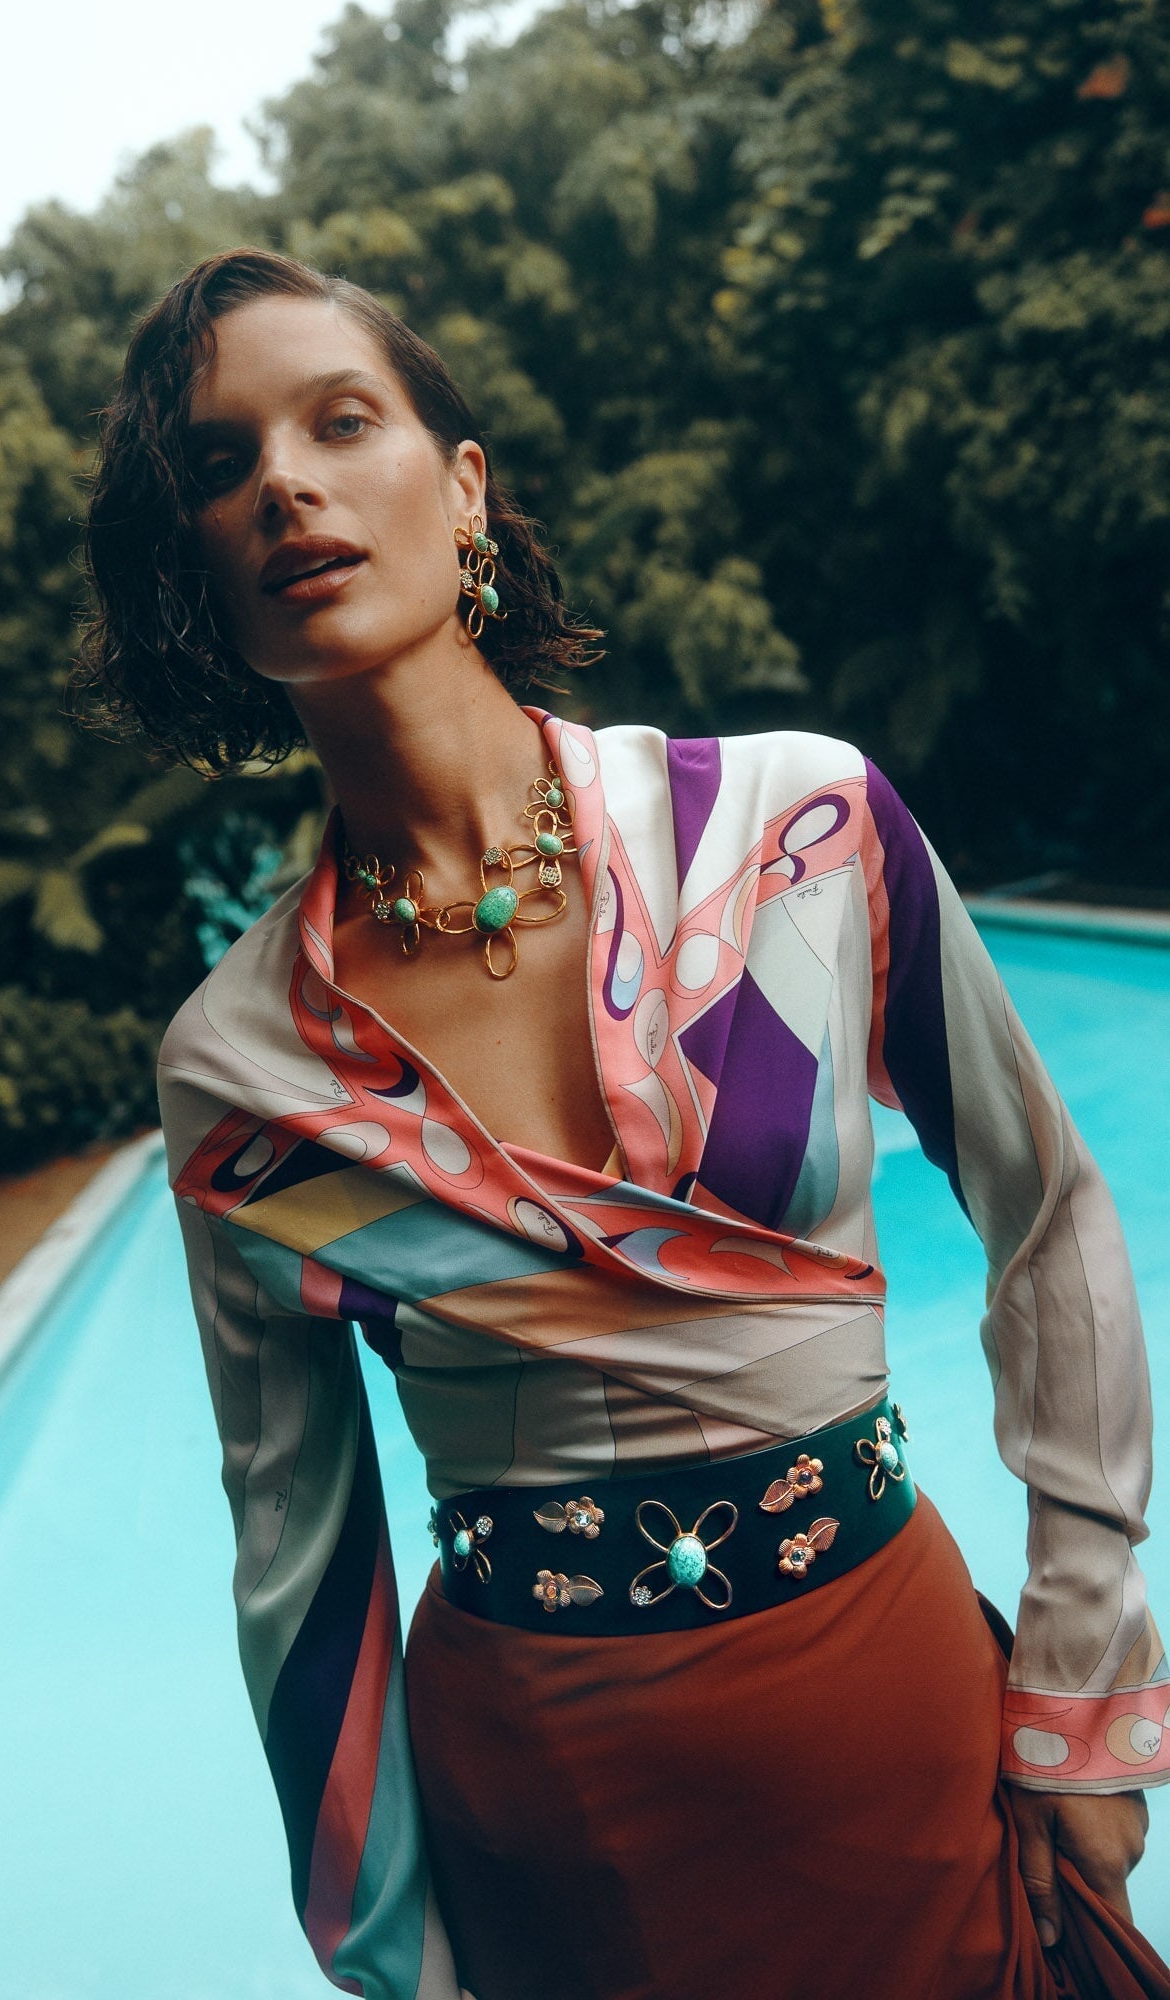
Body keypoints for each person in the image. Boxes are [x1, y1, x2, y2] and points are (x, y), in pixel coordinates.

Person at [75, 247, 1169, 2000]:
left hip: (893, 1732)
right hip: (541, 1824)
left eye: (339, 423)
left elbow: (1049, 1218)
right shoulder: (246, 1066)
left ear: (463, 488)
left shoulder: (798, 831)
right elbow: (298, 1548)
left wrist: (1081, 1692)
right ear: (196, 571)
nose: (282, 482)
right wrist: (393, 1955)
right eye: (219, 465)